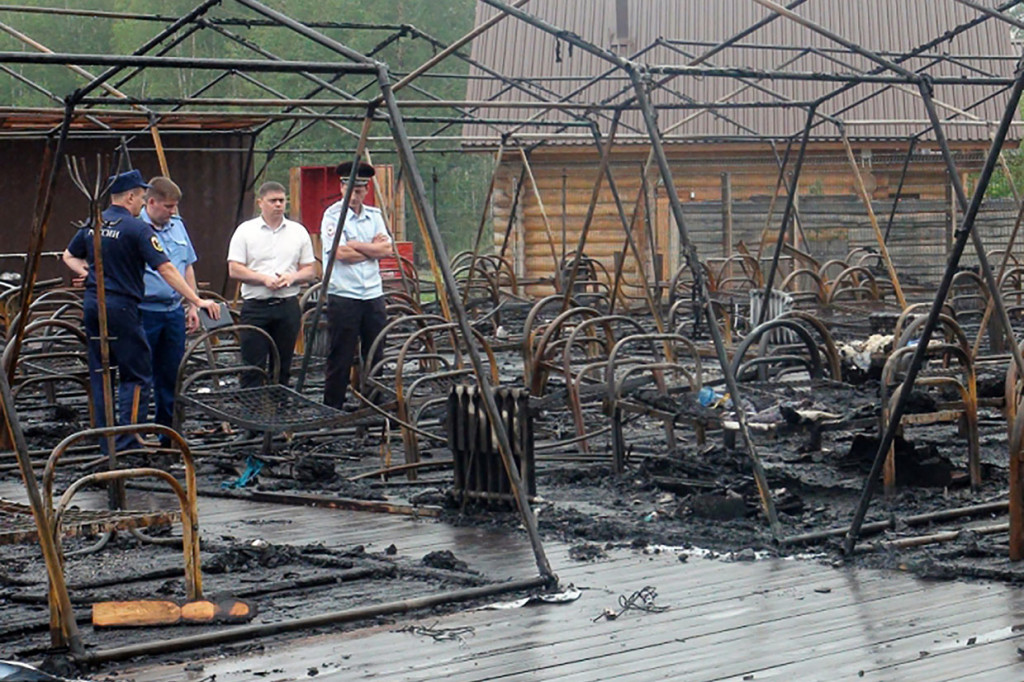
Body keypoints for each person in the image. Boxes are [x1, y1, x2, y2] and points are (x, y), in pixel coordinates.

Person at [62, 169, 221, 452]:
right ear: (132, 196)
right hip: (123, 307)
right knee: (136, 375)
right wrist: (197, 301)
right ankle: (128, 441)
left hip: (93, 304)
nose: (142, 201)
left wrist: (91, 274)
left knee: (101, 372)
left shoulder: (93, 223)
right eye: (140, 196)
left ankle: (107, 440)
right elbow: (167, 269)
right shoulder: (137, 228)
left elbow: (69, 255)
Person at [226, 181, 317, 388]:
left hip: (287, 306)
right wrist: (263, 279)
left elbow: (310, 270)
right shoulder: (246, 231)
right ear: (261, 203)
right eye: (273, 201)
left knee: (283, 364)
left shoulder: (298, 232)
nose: (278, 205)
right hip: (256, 306)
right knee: (252, 366)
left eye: (281, 200)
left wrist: (291, 278)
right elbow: (234, 269)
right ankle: (253, 412)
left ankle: (280, 409)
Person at [320, 160, 391, 409]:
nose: (354, 195)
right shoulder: (332, 215)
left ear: (366, 190)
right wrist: (371, 249)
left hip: (372, 294)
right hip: (344, 295)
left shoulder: (375, 215)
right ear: (341, 188)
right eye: (349, 189)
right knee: (341, 354)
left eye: (359, 190)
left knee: (375, 352)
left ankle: (372, 403)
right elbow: (340, 254)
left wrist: (357, 245)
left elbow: (386, 249)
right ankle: (333, 407)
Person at [139, 177, 199, 448]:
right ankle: (136, 435)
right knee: (140, 376)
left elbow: (187, 266)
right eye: (168, 206)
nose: (172, 211)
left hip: (173, 310)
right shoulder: (134, 228)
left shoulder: (178, 226)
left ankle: (168, 434)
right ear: (150, 202)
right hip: (143, 312)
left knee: (171, 374)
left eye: (175, 207)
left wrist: (193, 304)